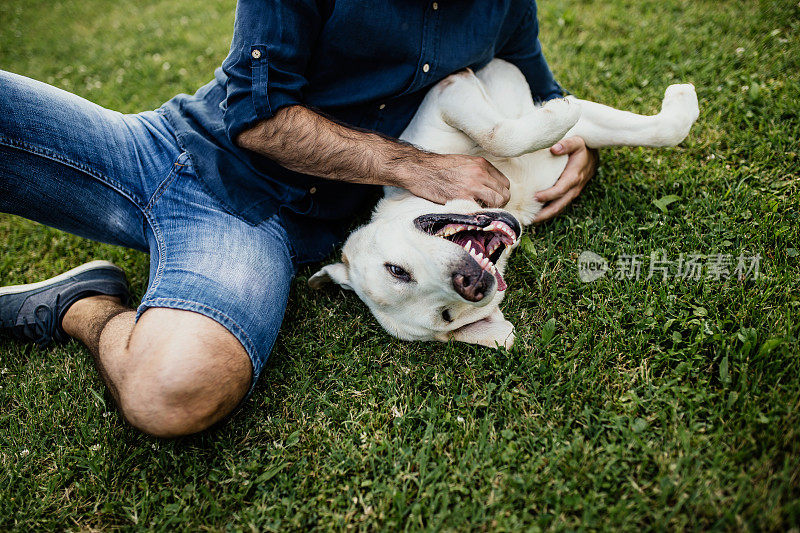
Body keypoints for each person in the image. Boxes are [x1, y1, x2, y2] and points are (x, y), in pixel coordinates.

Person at [0, 1, 598, 437]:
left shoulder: (505, 6)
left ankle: (83, 305)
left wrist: (580, 146)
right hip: (166, 148)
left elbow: (547, 100)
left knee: (170, 395)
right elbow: (260, 115)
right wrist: (418, 167)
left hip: (255, 229)